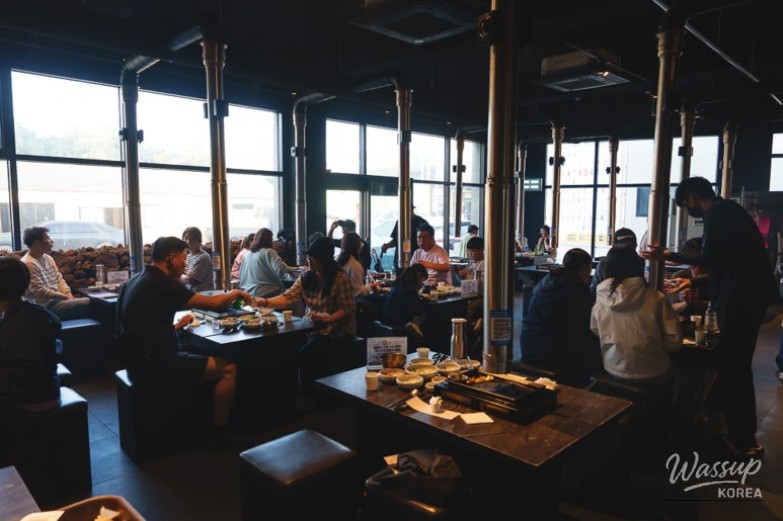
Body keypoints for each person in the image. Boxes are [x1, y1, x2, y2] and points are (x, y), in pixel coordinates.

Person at [643, 176, 775, 456]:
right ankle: (715, 418)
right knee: (727, 362)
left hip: (738, 305)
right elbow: (723, 260)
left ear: (691, 196)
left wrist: (668, 255)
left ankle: (743, 441)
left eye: (684, 204)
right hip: (743, 302)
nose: (688, 210)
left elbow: (710, 257)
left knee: (731, 366)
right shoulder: (730, 212)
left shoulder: (718, 213)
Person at [115, 237, 253, 434]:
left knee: (194, 349)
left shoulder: (137, 278)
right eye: (184, 257)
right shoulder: (162, 283)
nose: (185, 263)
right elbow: (214, 304)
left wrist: (175, 327)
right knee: (229, 368)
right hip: (155, 363)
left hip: (135, 358)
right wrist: (236, 293)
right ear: (171, 258)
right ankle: (220, 433)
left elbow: (142, 321)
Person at [257, 237, 356, 391]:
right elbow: (287, 297)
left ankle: (309, 393)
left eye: (313, 256)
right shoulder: (307, 276)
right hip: (311, 328)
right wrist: (264, 302)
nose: (308, 259)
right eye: (308, 256)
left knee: (307, 354)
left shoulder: (339, 279)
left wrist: (327, 319)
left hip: (336, 332)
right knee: (285, 349)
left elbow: (347, 309)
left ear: (323, 257)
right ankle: (291, 392)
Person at [591, 246, 681, 383]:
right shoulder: (656, 298)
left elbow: (595, 329)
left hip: (613, 368)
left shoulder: (602, 296)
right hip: (653, 371)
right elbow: (674, 342)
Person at [520, 248, 602, 387]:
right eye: (589, 270)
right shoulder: (577, 289)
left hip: (528, 347)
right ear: (584, 268)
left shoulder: (548, 280)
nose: (589, 274)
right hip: (548, 354)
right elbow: (586, 326)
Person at [0, 257, 62, 412]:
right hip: (48, 391)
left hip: (29, 400)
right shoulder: (36, 313)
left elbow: (23, 373)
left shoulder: (18, 322)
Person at [20, 226, 91, 320]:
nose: (52, 241)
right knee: (92, 303)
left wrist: (68, 294)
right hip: (43, 307)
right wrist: (64, 297)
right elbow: (40, 291)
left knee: (96, 304)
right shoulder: (28, 263)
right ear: (38, 243)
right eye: (48, 238)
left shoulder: (48, 258)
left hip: (57, 302)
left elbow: (59, 279)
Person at [382, 264, 429, 344]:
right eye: (422, 280)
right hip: (400, 322)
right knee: (424, 313)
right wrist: (426, 299)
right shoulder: (411, 290)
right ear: (418, 276)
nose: (422, 283)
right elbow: (417, 307)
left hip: (386, 320)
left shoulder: (396, 284)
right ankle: (414, 325)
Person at [238, 228, 290, 298]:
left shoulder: (247, 254)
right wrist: (288, 270)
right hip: (268, 293)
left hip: (248, 295)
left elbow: (240, 276)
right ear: (269, 240)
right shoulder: (269, 252)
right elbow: (281, 270)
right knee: (294, 295)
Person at [591, 227, 638, 295]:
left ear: (613, 246)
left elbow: (593, 292)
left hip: (606, 304)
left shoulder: (604, 265)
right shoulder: (639, 264)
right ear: (635, 246)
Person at [337, 232, 378, 297]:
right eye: (360, 244)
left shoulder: (340, 261)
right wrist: (371, 286)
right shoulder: (355, 266)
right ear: (356, 246)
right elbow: (359, 293)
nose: (361, 246)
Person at [180, 227, 214, 292]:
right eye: (186, 238)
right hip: (190, 292)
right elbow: (185, 274)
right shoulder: (189, 256)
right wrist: (185, 277)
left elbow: (192, 280)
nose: (188, 241)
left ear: (199, 241)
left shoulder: (203, 257)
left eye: (192, 239)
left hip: (202, 294)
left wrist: (180, 276)